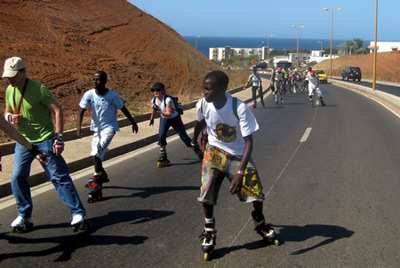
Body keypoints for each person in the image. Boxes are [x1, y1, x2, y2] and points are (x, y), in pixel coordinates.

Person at [193, 70, 278, 260]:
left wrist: (240, 172)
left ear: (222, 89)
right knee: (206, 191)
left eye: (208, 89)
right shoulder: (203, 104)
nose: (204, 93)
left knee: (256, 193)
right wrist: (196, 138)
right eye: (203, 88)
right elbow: (200, 122)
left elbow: (249, 142)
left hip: (238, 155)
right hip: (214, 151)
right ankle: (209, 229)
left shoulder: (238, 107)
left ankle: (260, 222)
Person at [2, 56, 86, 232]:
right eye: (7, 76)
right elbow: (7, 113)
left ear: (23, 72)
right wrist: (10, 117)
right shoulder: (10, 90)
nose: (9, 79)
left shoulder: (39, 89)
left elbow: (57, 110)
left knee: (58, 176)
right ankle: (25, 215)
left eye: (13, 76)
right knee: (17, 177)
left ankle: (78, 213)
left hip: (45, 139)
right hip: (23, 141)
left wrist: (59, 137)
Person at [77, 71, 139, 202]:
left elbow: (123, 108)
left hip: (109, 128)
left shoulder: (112, 96)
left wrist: (133, 122)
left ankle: (95, 182)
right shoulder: (89, 94)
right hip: (96, 130)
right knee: (95, 155)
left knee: (98, 151)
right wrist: (79, 127)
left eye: (98, 80)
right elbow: (81, 110)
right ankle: (100, 177)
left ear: (104, 81)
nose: (95, 82)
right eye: (94, 79)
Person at [149, 82, 202, 167]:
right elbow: (154, 109)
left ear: (162, 90)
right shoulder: (154, 100)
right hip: (164, 119)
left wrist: (160, 111)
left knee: (184, 137)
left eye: (157, 90)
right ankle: (163, 156)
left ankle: (198, 151)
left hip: (174, 119)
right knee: (161, 136)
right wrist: (152, 119)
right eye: (153, 90)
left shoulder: (168, 100)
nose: (155, 92)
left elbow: (168, 113)